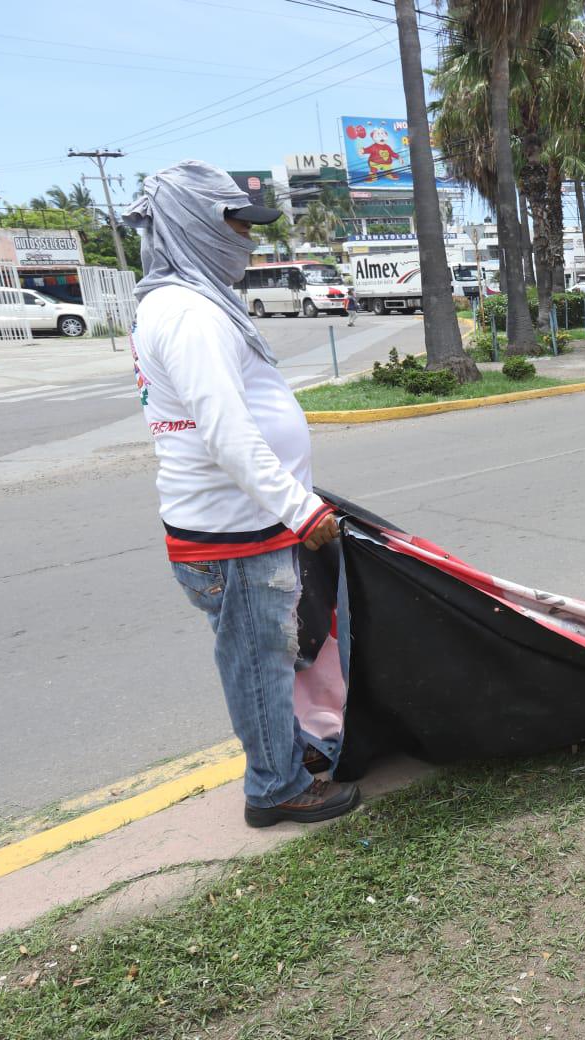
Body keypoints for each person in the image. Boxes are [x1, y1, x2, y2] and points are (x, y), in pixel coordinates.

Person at [124, 160, 360, 828]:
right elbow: (226, 430)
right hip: (232, 532)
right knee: (259, 664)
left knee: (267, 655)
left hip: (234, 525)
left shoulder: (182, 303)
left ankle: (286, 755)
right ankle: (275, 788)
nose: (247, 240)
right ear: (196, 226)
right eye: (235, 223)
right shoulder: (189, 314)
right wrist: (300, 508)